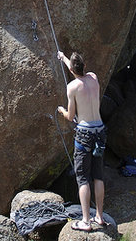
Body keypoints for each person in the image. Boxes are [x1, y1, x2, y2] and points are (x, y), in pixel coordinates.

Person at [57, 50, 107, 233]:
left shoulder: (72, 87)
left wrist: (62, 110)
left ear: (71, 70)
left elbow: (71, 117)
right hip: (100, 131)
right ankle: (100, 216)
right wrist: (63, 58)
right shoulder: (93, 78)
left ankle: (86, 221)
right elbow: (76, 69)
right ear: (84, 66)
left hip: (84, 133)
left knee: (83, 178)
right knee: (98, 175)